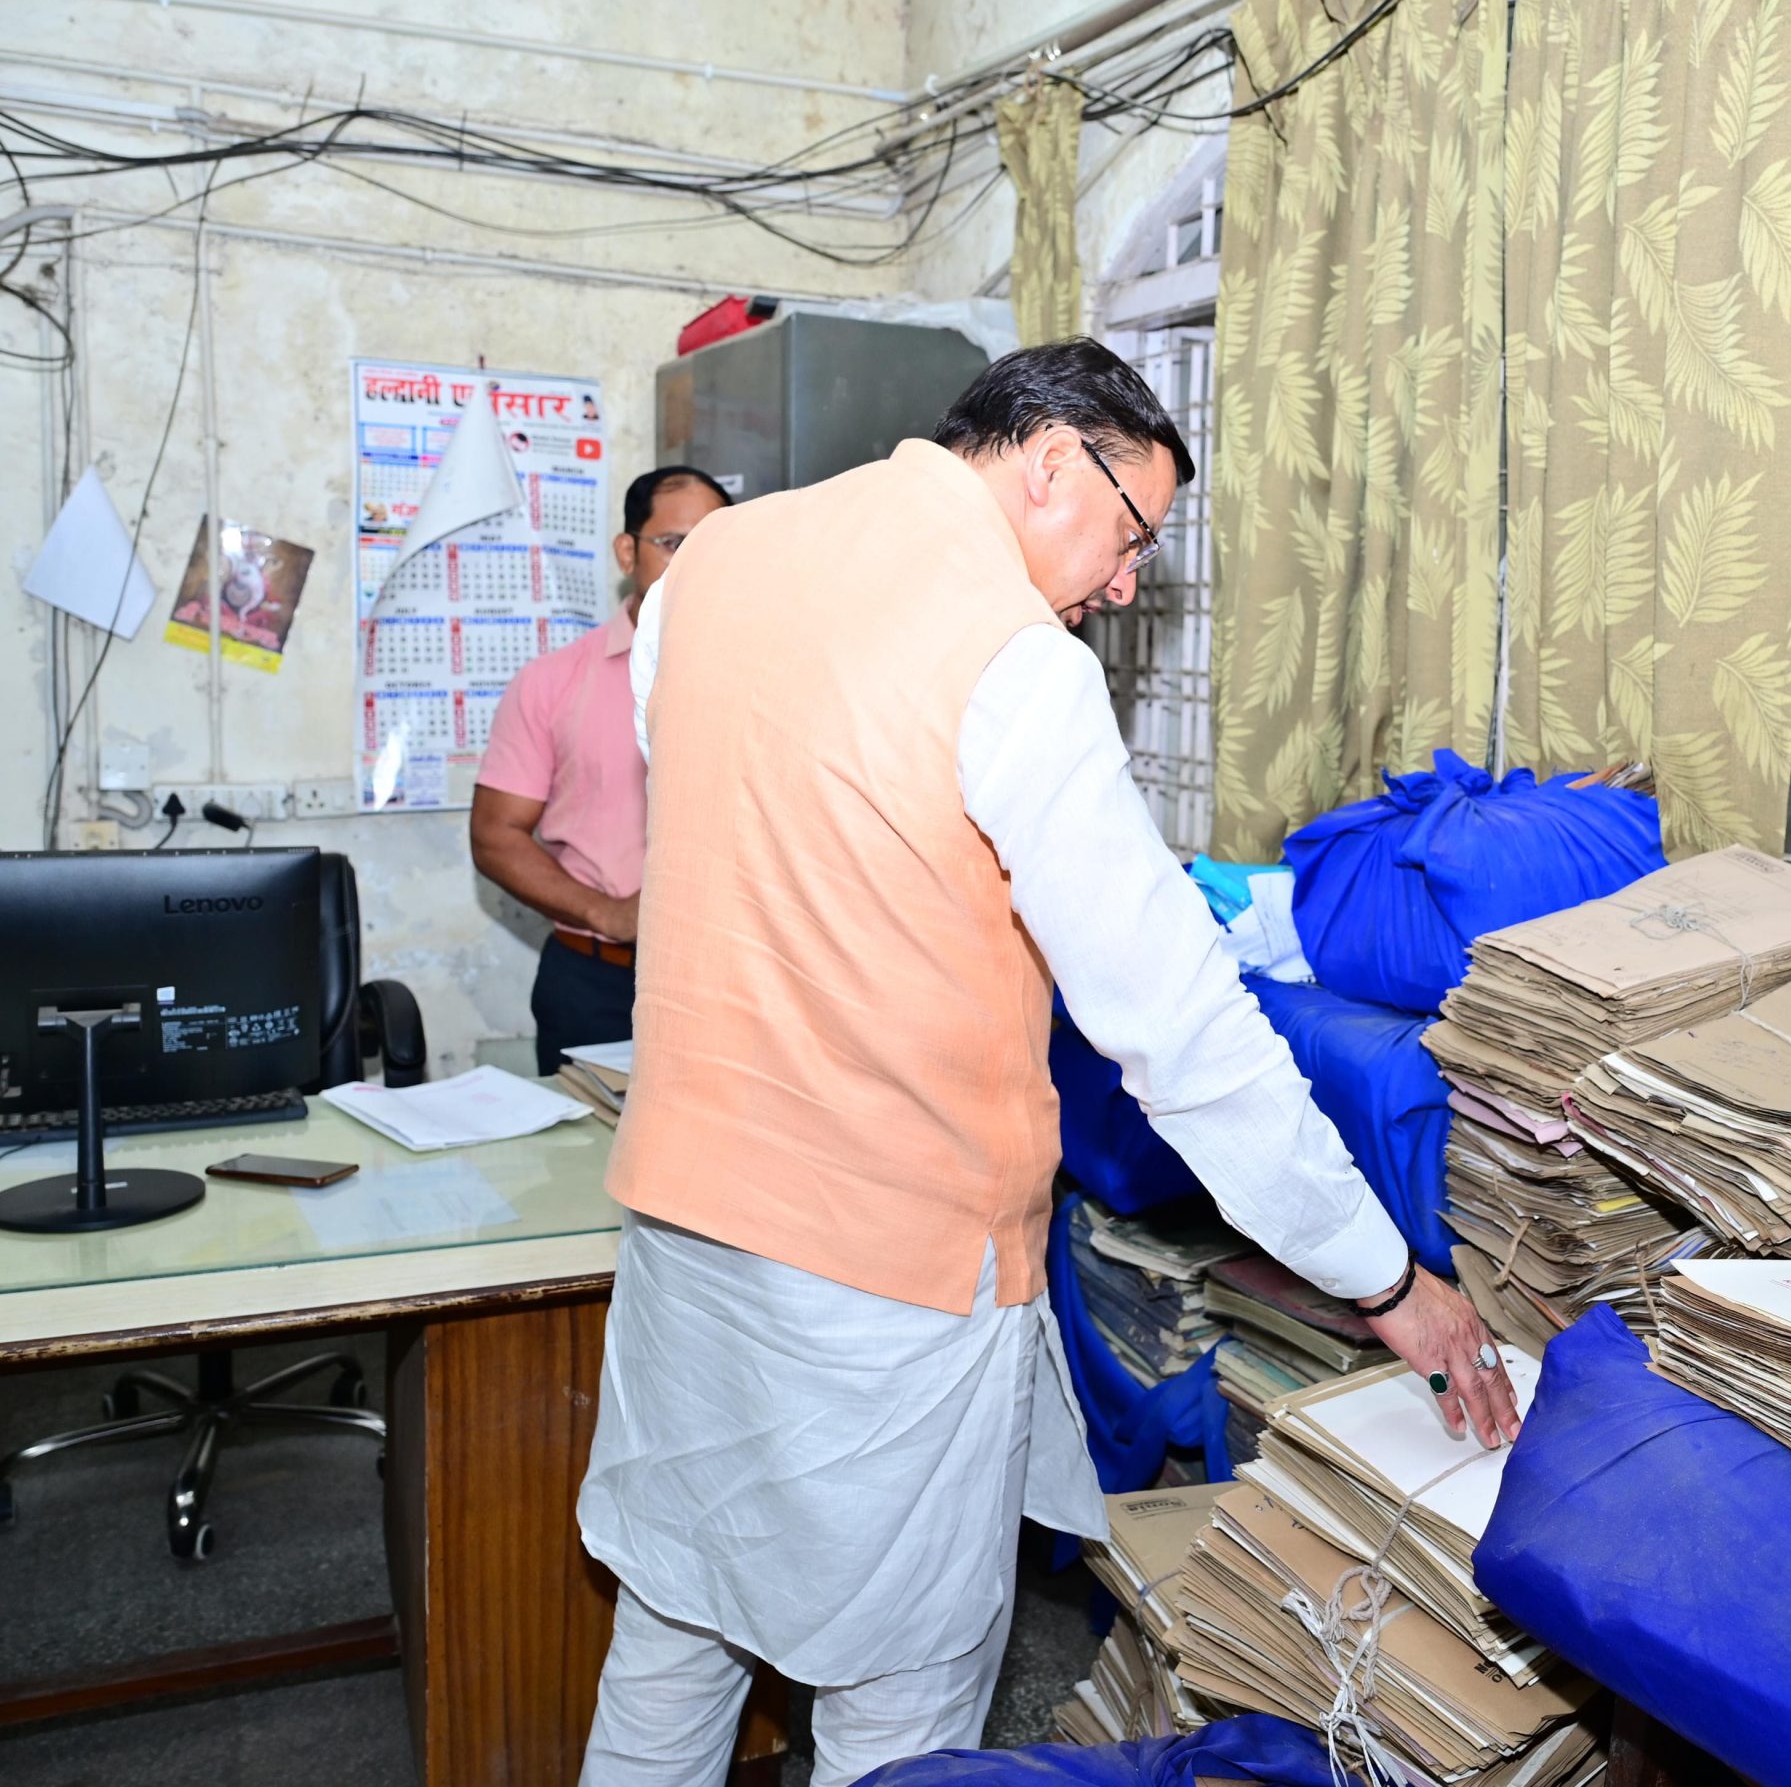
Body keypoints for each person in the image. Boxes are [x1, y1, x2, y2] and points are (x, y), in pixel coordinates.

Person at [575, 340, 1518, 1786]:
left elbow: (731, 815)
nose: (1127, 584)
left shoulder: (715, 566)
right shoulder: (1016, 659)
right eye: (1133, 534)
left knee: (672, 1631)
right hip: (878, 1273)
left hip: (685, 1220)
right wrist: (1382, 1278)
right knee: (899, 1700)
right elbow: (1180, 1028)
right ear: (1051, 459)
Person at [471, 466, 731, 1073]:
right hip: (598, 983)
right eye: (674, 544)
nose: (695, 565)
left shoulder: (767, 677)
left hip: (732, 981)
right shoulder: (553, 683)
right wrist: (605, 912)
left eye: (714, 546)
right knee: (585, 1137)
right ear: (627, 551)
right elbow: (495, 834)